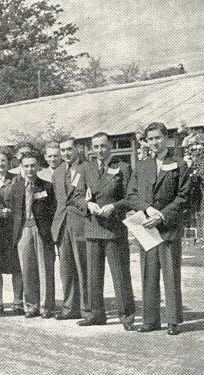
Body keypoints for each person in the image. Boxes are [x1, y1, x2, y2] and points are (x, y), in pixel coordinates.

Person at [126, 122, 191, 336]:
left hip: (168, 228)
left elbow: (183, 197)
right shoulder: (141, 166)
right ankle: (151, 320)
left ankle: (173, 321)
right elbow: (131, 196)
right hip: (146, 228)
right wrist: (149, 209)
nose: (154, 142)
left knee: (171, 275)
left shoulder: (179, 165)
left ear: (167, 138)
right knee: (148, 274)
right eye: (150, 139)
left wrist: (161, 216)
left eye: (158, 137)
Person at [79, 132, 136, 330]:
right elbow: (77, 196)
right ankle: (96, 314)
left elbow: (131, 197)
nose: (100, 151)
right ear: (92, 149)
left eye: (103, 146)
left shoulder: (122, 167)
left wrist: (114, 207)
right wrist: (88, 205)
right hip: (93, 227)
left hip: (114, 229)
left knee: (120, 274)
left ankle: (127, 317)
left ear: (110, 146)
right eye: (95, 147)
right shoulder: (86, 169)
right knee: (93, 276)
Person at [9, 152, 57, 318]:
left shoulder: (47, 187)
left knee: (45, 269)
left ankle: (46, 307)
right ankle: (31, 306)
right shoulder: (16, 187)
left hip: (41, 230)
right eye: (26, 166)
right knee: (27, 270)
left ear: (38, 167)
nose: (29, 169)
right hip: (24, 231)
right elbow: (14, 212)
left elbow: (52, 212)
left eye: (32, 166)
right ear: (22, 167)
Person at [51, 137, 90, 321]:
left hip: (80, 222)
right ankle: (69, 308)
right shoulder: (57, 172)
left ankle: (86, 309)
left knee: (83, 267)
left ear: (77, 149)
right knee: (66, 269)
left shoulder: (86, 168)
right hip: (61, 224)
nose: (66, 153)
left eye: (69, 149)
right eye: (63, 150)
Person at [0, 146, 24, 314]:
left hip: (12, 230)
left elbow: (20, 203)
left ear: (9, 162)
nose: (0, 164)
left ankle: (17, 301)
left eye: (3, 160)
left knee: (16, 266)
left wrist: (11, 211)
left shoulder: (16, 179)